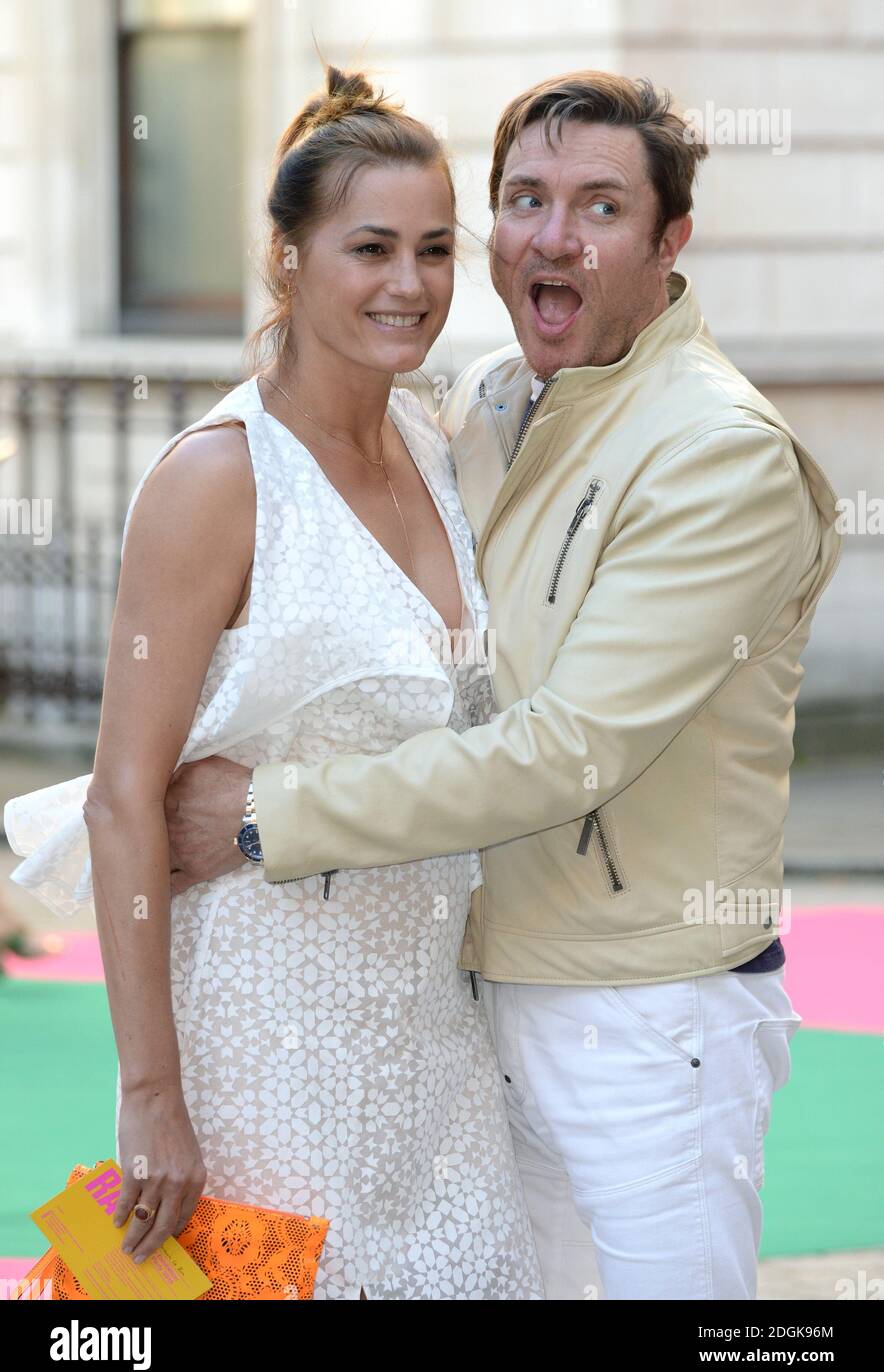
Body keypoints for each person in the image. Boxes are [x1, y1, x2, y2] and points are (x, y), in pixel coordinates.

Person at [162, 71, 842, 1299]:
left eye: (598, 207)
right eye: (523, 200)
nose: (551, 235)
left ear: (668, 240)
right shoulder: (482, 403)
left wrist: (266, 814)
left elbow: (562, 750)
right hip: (466, 996)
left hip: (650, 1013)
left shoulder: (718, 455)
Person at [4, 65, 545, 1301]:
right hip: (264, 1044)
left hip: (433, 1045)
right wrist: (151, 1097)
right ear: (288, 259)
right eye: (368, 248)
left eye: (432, 248)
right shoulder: (216, 478)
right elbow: (123, 797)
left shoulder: (430, 440)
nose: (408, 284)